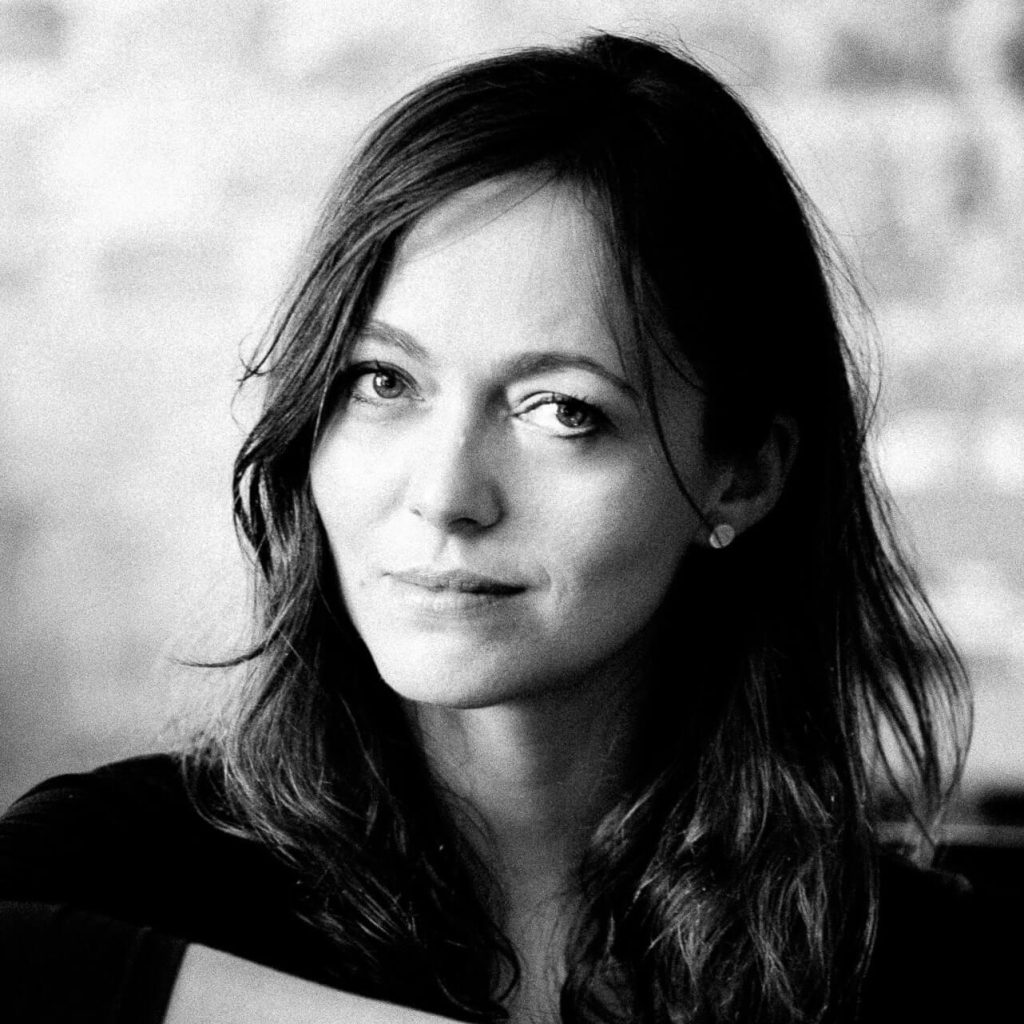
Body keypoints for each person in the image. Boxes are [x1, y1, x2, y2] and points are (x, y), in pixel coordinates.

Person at [0, 31, 1010, 1024]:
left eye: (561, 410)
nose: (445, 494)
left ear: (741, 475)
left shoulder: (910, 965)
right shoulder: (123, 874)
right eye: (382, 381)